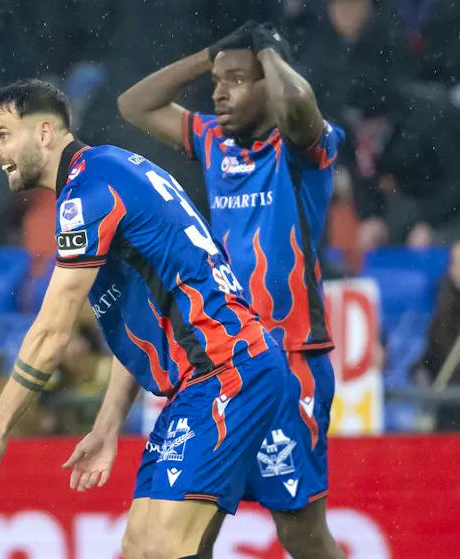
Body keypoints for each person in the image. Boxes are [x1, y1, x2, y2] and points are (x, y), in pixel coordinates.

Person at [0, 79, 288, 559]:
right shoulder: (108, 170)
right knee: (139, 546)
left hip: (228, 370)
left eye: (2, 135)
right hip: (203, 380)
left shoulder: (88, 194)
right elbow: (139, 319)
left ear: (44, 132)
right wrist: (108, 424)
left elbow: (51, 333)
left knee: (167, 546)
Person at [117, 21, 345, 559]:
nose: (219, 93)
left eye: (236, 81)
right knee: (193, 528)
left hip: (291, 359)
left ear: (269, 82)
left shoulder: (305, 147)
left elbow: (299, 105)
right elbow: (133, 105)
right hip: (225, 361)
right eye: (217, 83)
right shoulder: (211, 139)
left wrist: (269, 52)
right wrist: (210, 56)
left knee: (301, 531)